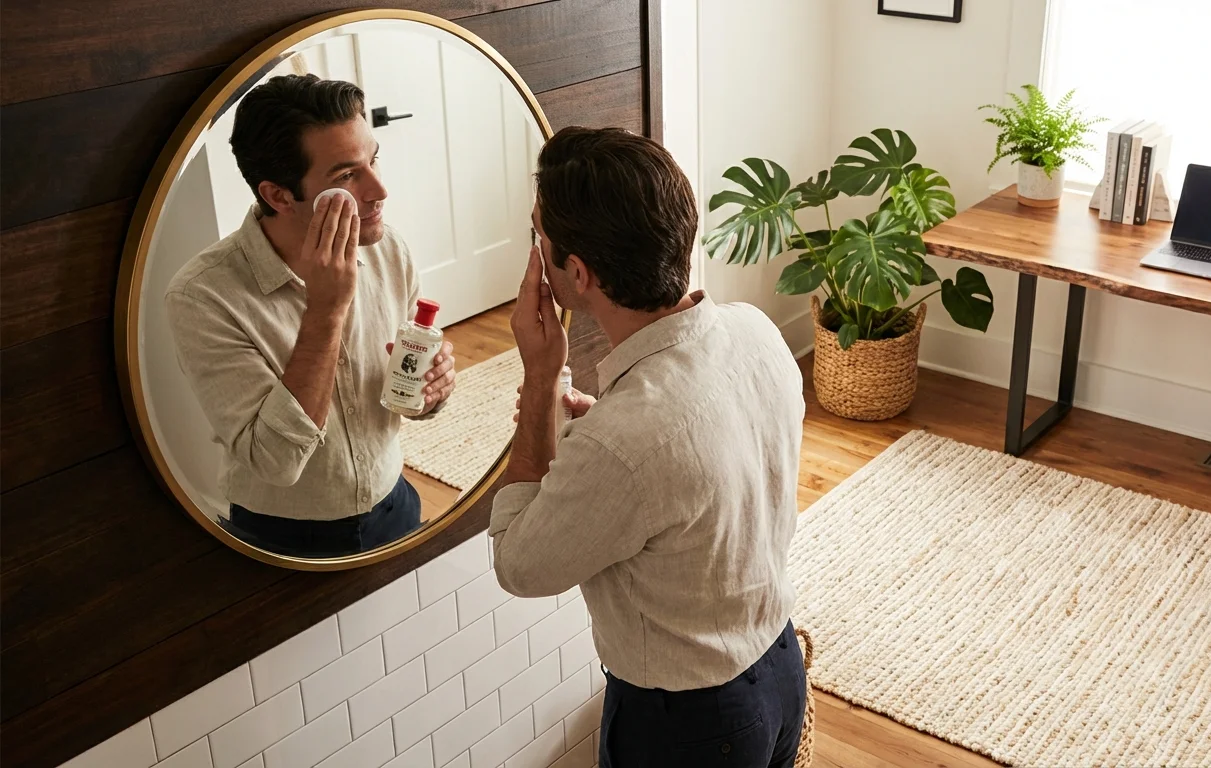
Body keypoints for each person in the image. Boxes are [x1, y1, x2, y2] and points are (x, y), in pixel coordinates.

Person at [491, 127, 808, 767]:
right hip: (779, 671)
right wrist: (609, 426)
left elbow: (520, 566)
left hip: (688, 727)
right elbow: (690, 454)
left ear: (576, 274)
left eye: (539, 241)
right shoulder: (756, 332)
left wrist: (541, 372)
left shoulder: (626, 439)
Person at [165, 74, 457, 558]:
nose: (379, 189)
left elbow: (404, 393)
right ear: (280, 196)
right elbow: (275, 462)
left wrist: (430, 390)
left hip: (395, 502)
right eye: (346, 176)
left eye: (374, 159)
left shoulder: (389, 249)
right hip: (282, 538)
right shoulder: (202, 296)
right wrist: (326, 309)